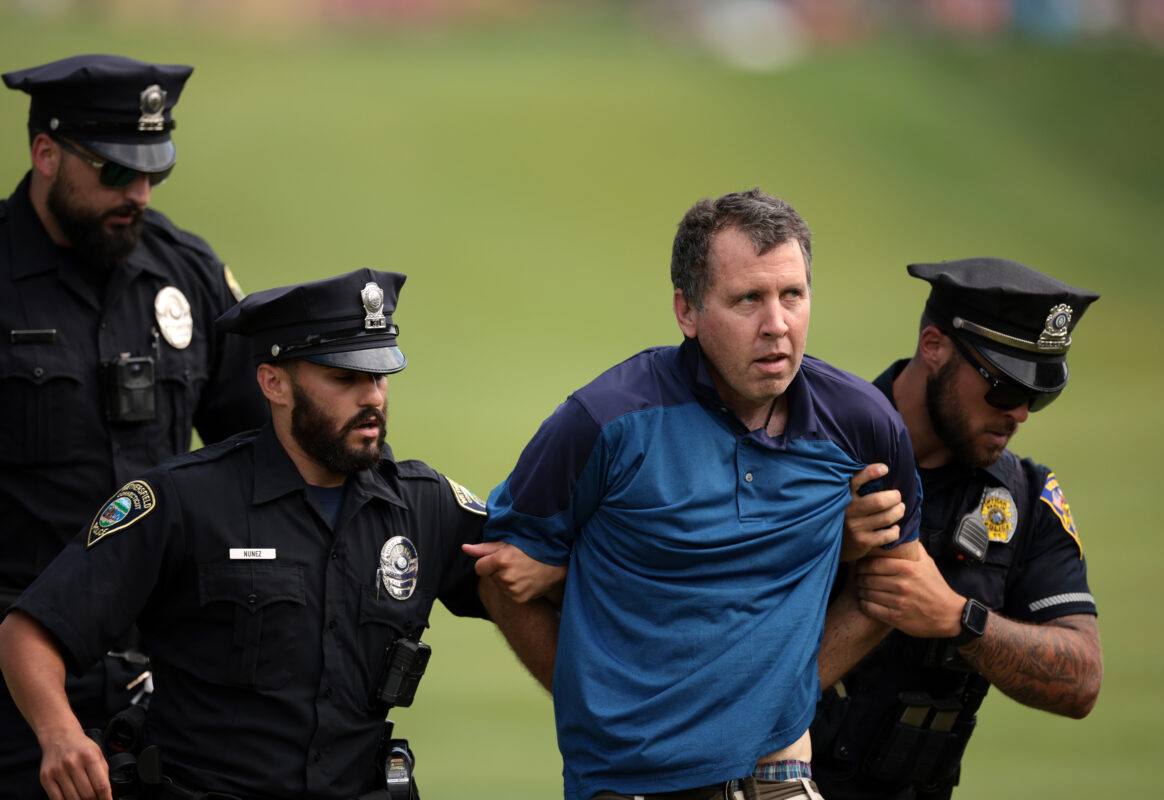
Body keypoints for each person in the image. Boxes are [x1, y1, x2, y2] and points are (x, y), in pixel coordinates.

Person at [0, 268, 558, 800]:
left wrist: (554, 574)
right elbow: (29, 632)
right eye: (345, 378)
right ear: (274, 383)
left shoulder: (425, 504)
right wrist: (60, 736)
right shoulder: (182, 501)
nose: (373, 398)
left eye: (380, 375)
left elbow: (530, 582)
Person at [469, 188, 924, 800]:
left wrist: (787, 691)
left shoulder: (864, 425)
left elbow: (895, 583)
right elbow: (501, 573)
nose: (777, 325)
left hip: (781, 774)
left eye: (793, 294)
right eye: (748, 300)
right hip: (630, 783)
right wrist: (606, 712)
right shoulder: (603, 421)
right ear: (687, 311)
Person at [0, 54, 268, 798]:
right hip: (16, 688)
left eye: (154, 173)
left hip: (165, 686)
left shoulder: (186, 272)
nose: (140, 194)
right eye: (117, 172)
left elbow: (268, 451)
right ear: (45, 153)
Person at [809, 258, 1102, 799]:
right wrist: (822, 539)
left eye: (1039, 396)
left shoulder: (1026, 499)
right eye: (1003, 388)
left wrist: (959, 620)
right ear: (934, 345)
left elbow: (1081, 681)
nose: (1020, 414)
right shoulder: (814, 445)